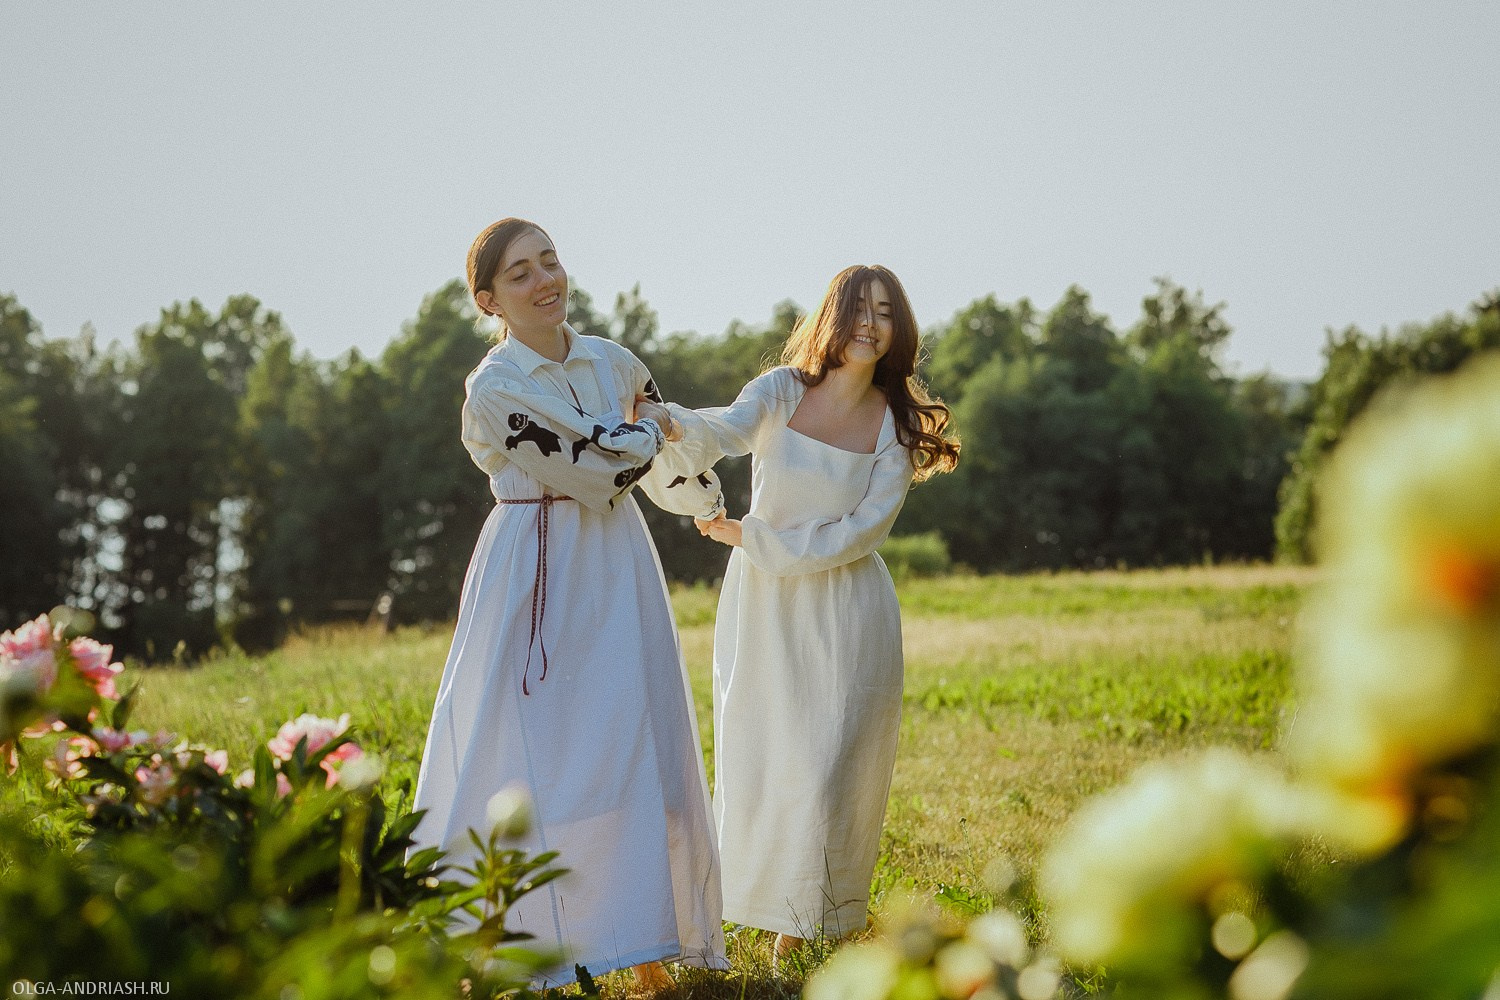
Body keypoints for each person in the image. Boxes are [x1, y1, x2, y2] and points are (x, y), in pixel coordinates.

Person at [409, 218, 728, 990]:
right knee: (536, 752)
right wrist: (647, 429)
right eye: (520, 273)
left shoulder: (613, 361)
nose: (544, 279)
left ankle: (648, 943)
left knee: (631, 741)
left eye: (550, 260)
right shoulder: (494, 389)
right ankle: (503, 942)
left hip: (617, 564)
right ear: (488, 299)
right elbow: (598, 469)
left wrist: (708, 497)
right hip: (534, 568)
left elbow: (664, 451)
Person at [670, 265, 960, 961]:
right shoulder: (779, 391)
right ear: (831, 318)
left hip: (846, 604)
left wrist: (751, 536)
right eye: (857, 308)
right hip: (766, 603)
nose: (869, 323)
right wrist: (665, 423)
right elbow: (723, 431)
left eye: (885, 311)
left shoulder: (894, 426)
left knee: (832, 763)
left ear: (901, 329)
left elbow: (860, 532)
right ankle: (759, 904)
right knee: (769, 755)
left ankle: (809, 925)